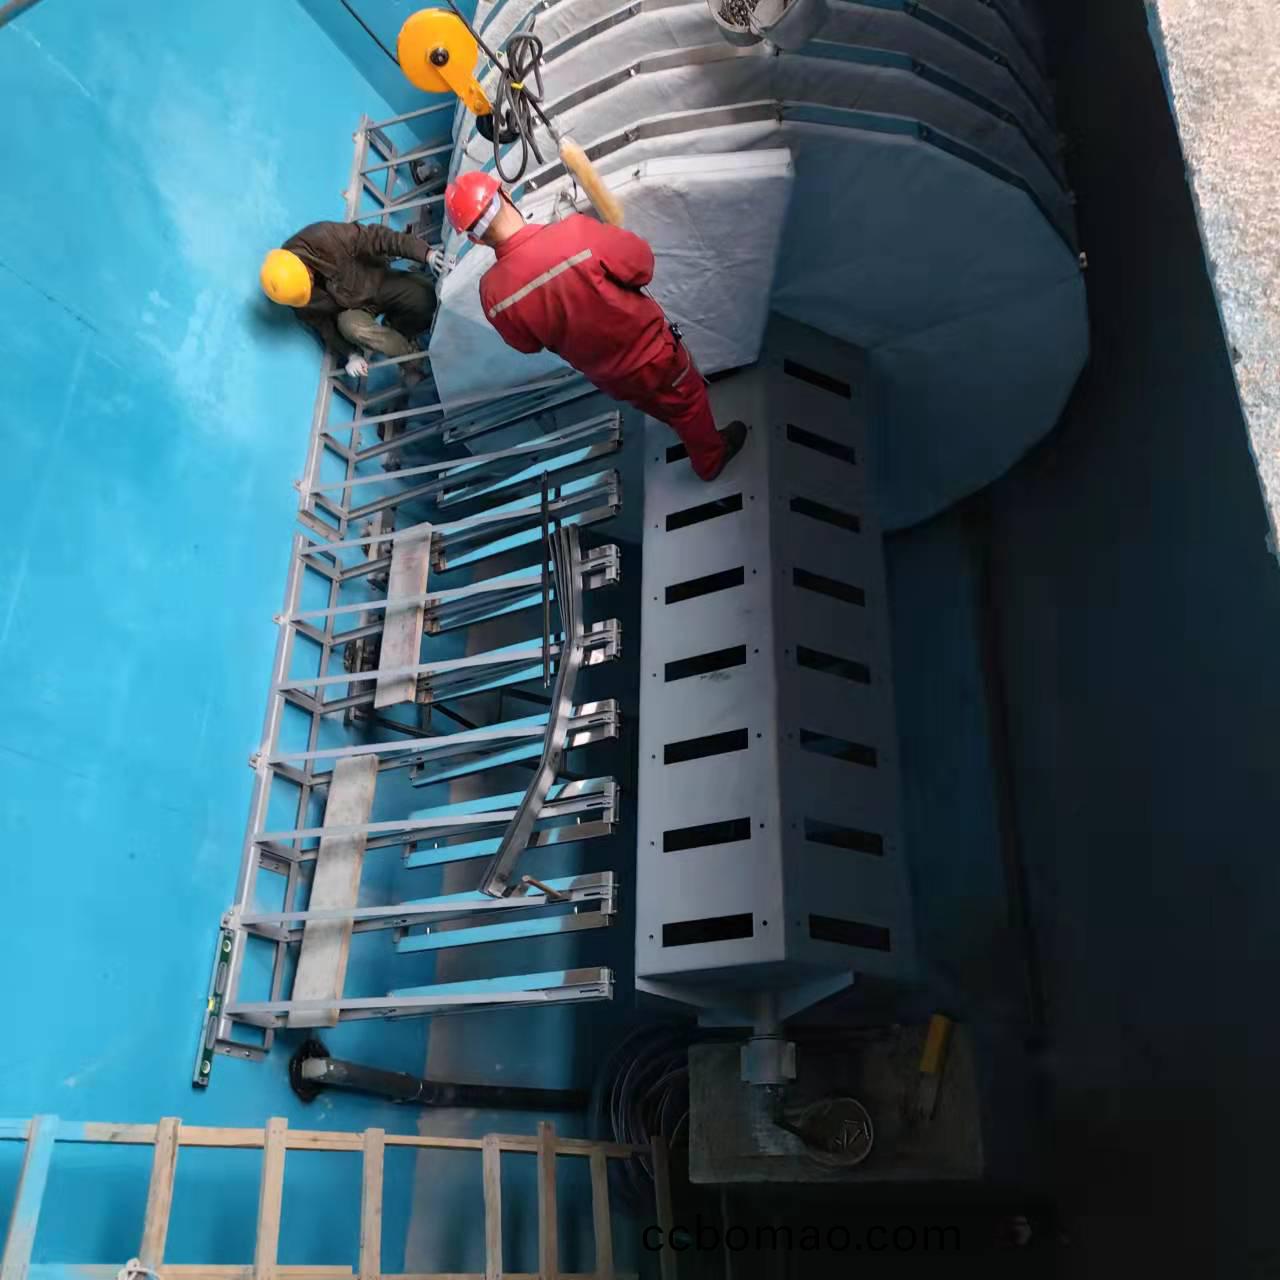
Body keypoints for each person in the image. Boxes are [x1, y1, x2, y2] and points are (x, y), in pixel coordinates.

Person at [443, 171, 747, 481]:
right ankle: (710, 459)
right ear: (505, 195)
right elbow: (643, 265)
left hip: (609, 377)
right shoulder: (573, 233)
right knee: (688, 399)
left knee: (654, 401)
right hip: (654, 355)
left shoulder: (492, 293)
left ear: (474, 238)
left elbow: (527, 345)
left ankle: (680, 423)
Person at [259, 222, 436, 384]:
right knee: (354, 329)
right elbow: (323, 326)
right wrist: (351, 354)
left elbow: (378, 237)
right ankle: (412, 360)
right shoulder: (293, 293)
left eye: (309, 280)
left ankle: (399, 328)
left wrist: (426, 254)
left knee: (426, 297)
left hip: (376, 280)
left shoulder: (324, 237)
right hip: (350, 311)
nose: (311, 285)